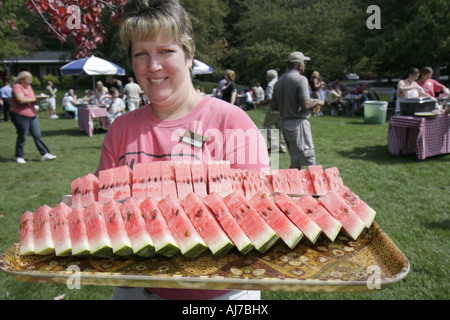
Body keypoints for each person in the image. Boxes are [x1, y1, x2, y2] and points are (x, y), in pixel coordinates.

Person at [97, 0, 268, 300]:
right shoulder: (119, 130)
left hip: (221, 295)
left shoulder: (232, 121)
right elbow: (105, 212)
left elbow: (254, 220)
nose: (153, 66)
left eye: (166, 51)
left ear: (188, 55)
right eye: (141, 54)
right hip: (136, 289)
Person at [271, 51, 324, 169]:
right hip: (297, 124)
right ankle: (310, 187)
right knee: (309, 161)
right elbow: (305, 104)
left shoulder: (278, 82)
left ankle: (289, 186)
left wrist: (287, 103)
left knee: (296, 161)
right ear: (300, 65)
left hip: (284, 124)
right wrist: (318, 101)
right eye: (304, 62)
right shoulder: (300, 79)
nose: (305, 65)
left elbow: (273, 106)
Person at [10, 71, 56, 164]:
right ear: (22, 79)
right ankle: (19, 156)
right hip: (20, 115)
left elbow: (31, 99)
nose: (30, 82)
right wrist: (36, 99)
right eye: (28, 80)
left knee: (37, 135)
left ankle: (45, 154)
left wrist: (38, 98)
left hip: (32, 114)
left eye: (30, 80)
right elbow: (21, 100)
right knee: (22, 135)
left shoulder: (29, 87)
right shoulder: (17, 87)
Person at [256, 69, 286, 153]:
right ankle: (282, 147)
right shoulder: (281, 83)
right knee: (281, 128)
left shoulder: (270, 85)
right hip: (282, 108)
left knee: (266, 126)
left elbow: (269, 98)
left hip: (273, 110)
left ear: (269, 76)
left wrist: (261, 104)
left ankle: (274, 146)